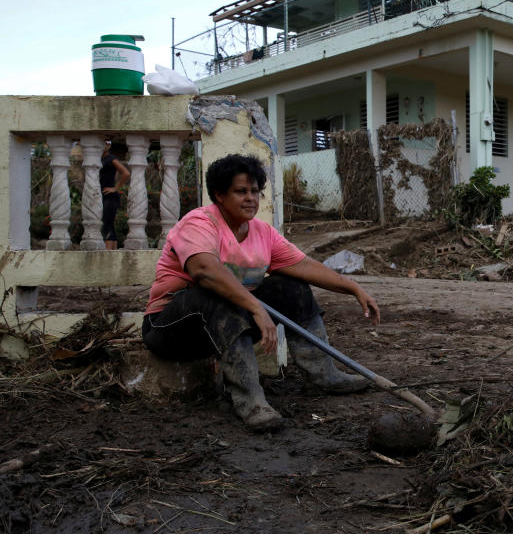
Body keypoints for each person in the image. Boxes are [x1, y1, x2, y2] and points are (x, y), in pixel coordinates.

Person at [142, 154, 380, 431]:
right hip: (172, 328)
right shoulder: (199, 223)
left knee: (291, 287)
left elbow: (302, 265)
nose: (250, 198)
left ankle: (323, 375)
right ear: (219, 194)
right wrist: (255, 308)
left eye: (255, 191)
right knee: (216, 293)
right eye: (240, 191)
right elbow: (204, 270)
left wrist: (353, 288)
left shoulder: (262, 232)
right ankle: (249, 401)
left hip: (229, 324)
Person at [100, 140, 130, 250]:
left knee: (107, 224)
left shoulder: (111, 158)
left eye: (105, 143)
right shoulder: (100, 159)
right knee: (108, 224)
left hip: (110, 196)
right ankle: (112, 251)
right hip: (103, 195)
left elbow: (126, 173)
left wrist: (115, 188)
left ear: (108, 146)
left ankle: (108, 252)